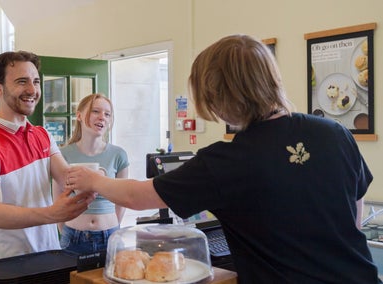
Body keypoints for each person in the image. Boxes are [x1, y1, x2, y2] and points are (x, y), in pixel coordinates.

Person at [65, 35, 381, 283]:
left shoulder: (226, 160)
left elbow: (137, 196)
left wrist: (93, 179)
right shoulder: (333, 131)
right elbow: (355, 207)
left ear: (219, 96)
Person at [0, 51, 95, 261]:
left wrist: (99, 179)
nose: (32, 90)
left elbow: (67, 178)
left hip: (49, 256)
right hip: (9, 265)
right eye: (22, 81)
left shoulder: (42, 135)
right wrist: (52, 213)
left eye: (36, 81)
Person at [53, 93, 129, 254]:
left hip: (110, 235)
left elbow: (122, 200)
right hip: (73, 236)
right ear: (79, 116)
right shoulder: (62, 155)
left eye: (107, 114)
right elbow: (58, 198)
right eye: (96, 111)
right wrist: (65, 230)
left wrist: (112, 228)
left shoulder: (119, 155)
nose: (102, 117)